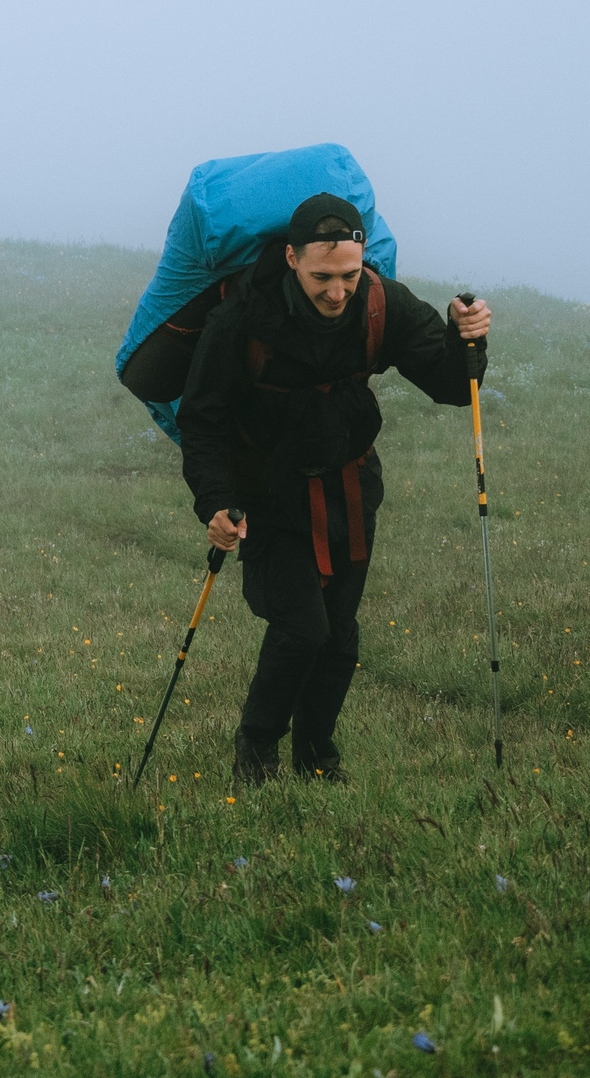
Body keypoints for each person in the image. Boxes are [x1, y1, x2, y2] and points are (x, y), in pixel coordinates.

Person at [175, 193, 489, 784]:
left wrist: (465, 337)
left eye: (349, 274)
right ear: (291, 258)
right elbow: (202, 421)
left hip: (351, 487)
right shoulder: (242, 320)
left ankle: (317, 757)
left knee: (340, 636)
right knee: (303, 629)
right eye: (322, 277)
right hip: (269, 494)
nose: (338, 292)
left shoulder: (382, 303)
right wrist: (215, 503)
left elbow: (452, 386)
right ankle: (256, 752)